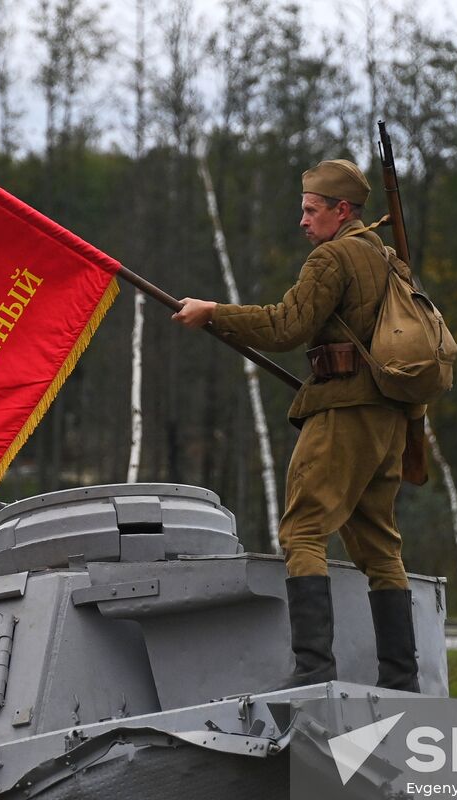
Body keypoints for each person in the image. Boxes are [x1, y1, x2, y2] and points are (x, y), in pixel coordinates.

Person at [173, 159, 423, 692]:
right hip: (388, 419)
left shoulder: (333, 258)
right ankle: (402, 682)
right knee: (381, 549)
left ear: (341, 211)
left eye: (312, 210)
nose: (302, 222)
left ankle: (312, 670)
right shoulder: (387, 257)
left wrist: (213, 312)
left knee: (303, 531)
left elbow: (286, 326)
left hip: (343, 413)